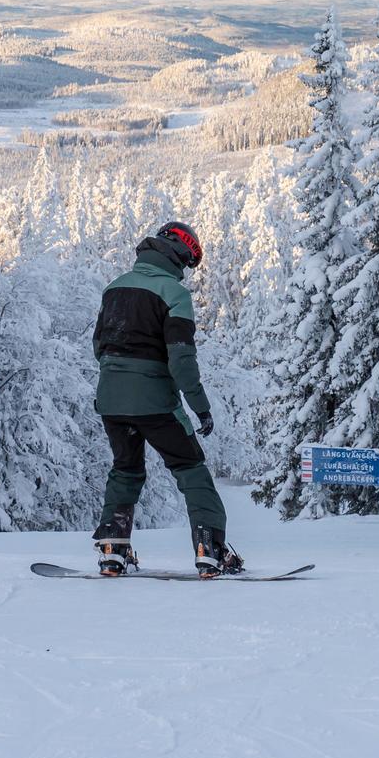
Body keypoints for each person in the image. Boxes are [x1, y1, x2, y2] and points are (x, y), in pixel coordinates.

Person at [89, 220, 244, 577]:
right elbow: (181, 359)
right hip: (155, 401)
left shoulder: (115, 288)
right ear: (178, 254)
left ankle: (113, 550)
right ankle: (210, 550)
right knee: (191, 470)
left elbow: (99, 347)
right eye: (189, 262)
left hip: (111, 399)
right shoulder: (175, 295)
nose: (188, 271)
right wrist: (200, 406)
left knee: (125, 470)